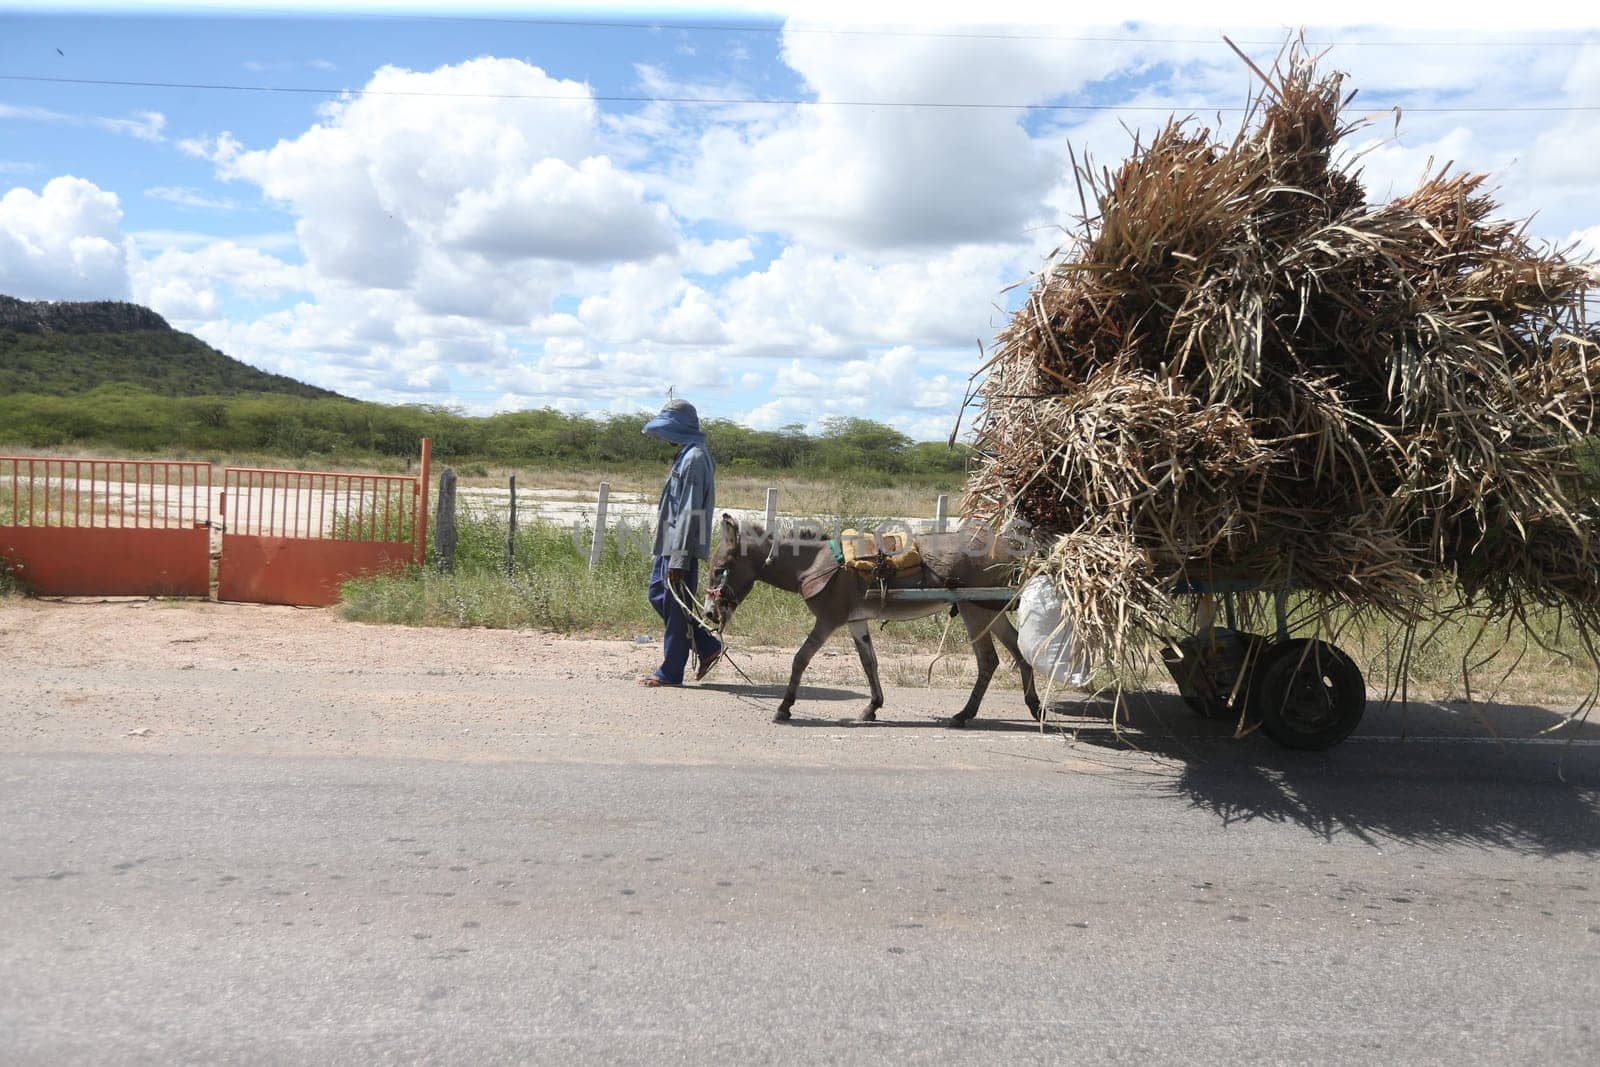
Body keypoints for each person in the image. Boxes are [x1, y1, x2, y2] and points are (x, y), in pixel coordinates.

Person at [638, 398, 723, 687]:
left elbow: (689, 511)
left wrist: (679, 558)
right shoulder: (685, 456)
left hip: (679, 548)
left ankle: (671, 672)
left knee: (676, 609)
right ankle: (706, 644)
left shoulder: (695, 459)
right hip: (668, 543)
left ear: (680, 428)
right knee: (659, 596)